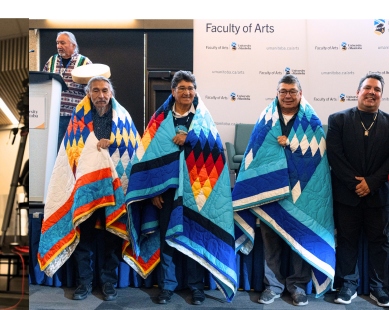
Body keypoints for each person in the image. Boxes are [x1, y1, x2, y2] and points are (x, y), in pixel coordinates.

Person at [125, 71, 237, 305]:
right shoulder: (159, 120)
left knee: (194, 234)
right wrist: (153, 191)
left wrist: (191, 138)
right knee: (167, 239)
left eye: (191, 87)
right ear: (173, 91)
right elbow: (147, 155)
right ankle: (167, 286)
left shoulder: (203, 119)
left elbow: (215, 149)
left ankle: (196, 287)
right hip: (165, 193)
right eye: (182, 88)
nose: (187, 92)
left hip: (198, 191)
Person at [37, 75, 144, 302]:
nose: (100, 95)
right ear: (88, 94)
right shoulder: (79, 118)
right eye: (95, 91)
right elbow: (71, 151)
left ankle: (108, 282)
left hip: (115, 188)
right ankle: (84, 283)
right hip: (86, 188)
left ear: (111, 93)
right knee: (83, 235)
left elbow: (133, 146)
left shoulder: (123, 117)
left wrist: (112, 141)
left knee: (113, 235)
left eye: (105, 90)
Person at [232, 74, 334, 306]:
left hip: (303, 192)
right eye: (283, 91)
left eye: (292, 91)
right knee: (272, 240)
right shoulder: (266, 119)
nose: (288, 96)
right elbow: (255, 153)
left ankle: (298, 286)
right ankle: (274, 286)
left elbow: (317, 154)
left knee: (301, 237)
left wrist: (292, 144)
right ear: (276, 94)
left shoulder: (312, 120)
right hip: (271, 191)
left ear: (300, 93)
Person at [328, 73, 389, 306]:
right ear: (358, 92)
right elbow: (335, 155)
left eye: (377, 89)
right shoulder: (338, 120)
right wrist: (356, 184)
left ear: (381, 95)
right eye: (367, 88)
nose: (372, 92)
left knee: (380, 241)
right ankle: (347, 285)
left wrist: (371, 183)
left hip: (379, 194)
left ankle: (379, 288)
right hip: (346, 194)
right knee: (346, 240)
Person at [42, 31, 92, 151]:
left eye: (62, 43)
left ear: (73, 45)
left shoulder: (84, 62)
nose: (59, 46)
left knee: (71, 150)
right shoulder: (51, 61)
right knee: (54, 150)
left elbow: (92, 89)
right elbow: (43, 83)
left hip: (75, 116)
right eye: (57, 43)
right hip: (53, 115)